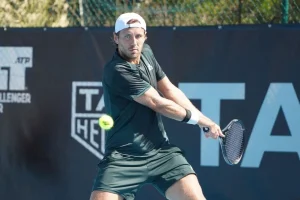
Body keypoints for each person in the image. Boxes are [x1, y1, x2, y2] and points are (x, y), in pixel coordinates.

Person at [90, 12, 225, 200]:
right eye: (127, 36)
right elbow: (157, 102)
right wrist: (200, 120)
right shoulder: (116, 70)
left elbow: (169, 90)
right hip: (123, 157)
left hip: (161, 152)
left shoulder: (146, 53)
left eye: (138, 36)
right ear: (116, 38)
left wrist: (203, 120)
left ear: (145, 36)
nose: (133, 42)